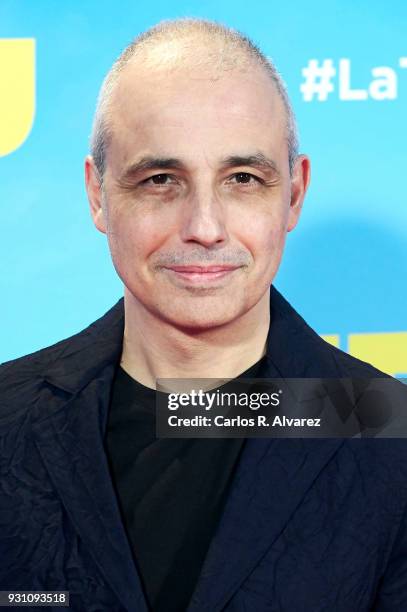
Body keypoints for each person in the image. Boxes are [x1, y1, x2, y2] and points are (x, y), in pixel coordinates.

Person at [1, 18, 407, 612]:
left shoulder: (387, 434)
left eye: (243, 179)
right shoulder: (8, 418)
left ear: (293, 194)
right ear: (98, 195)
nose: (205, 229)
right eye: (162, 180)